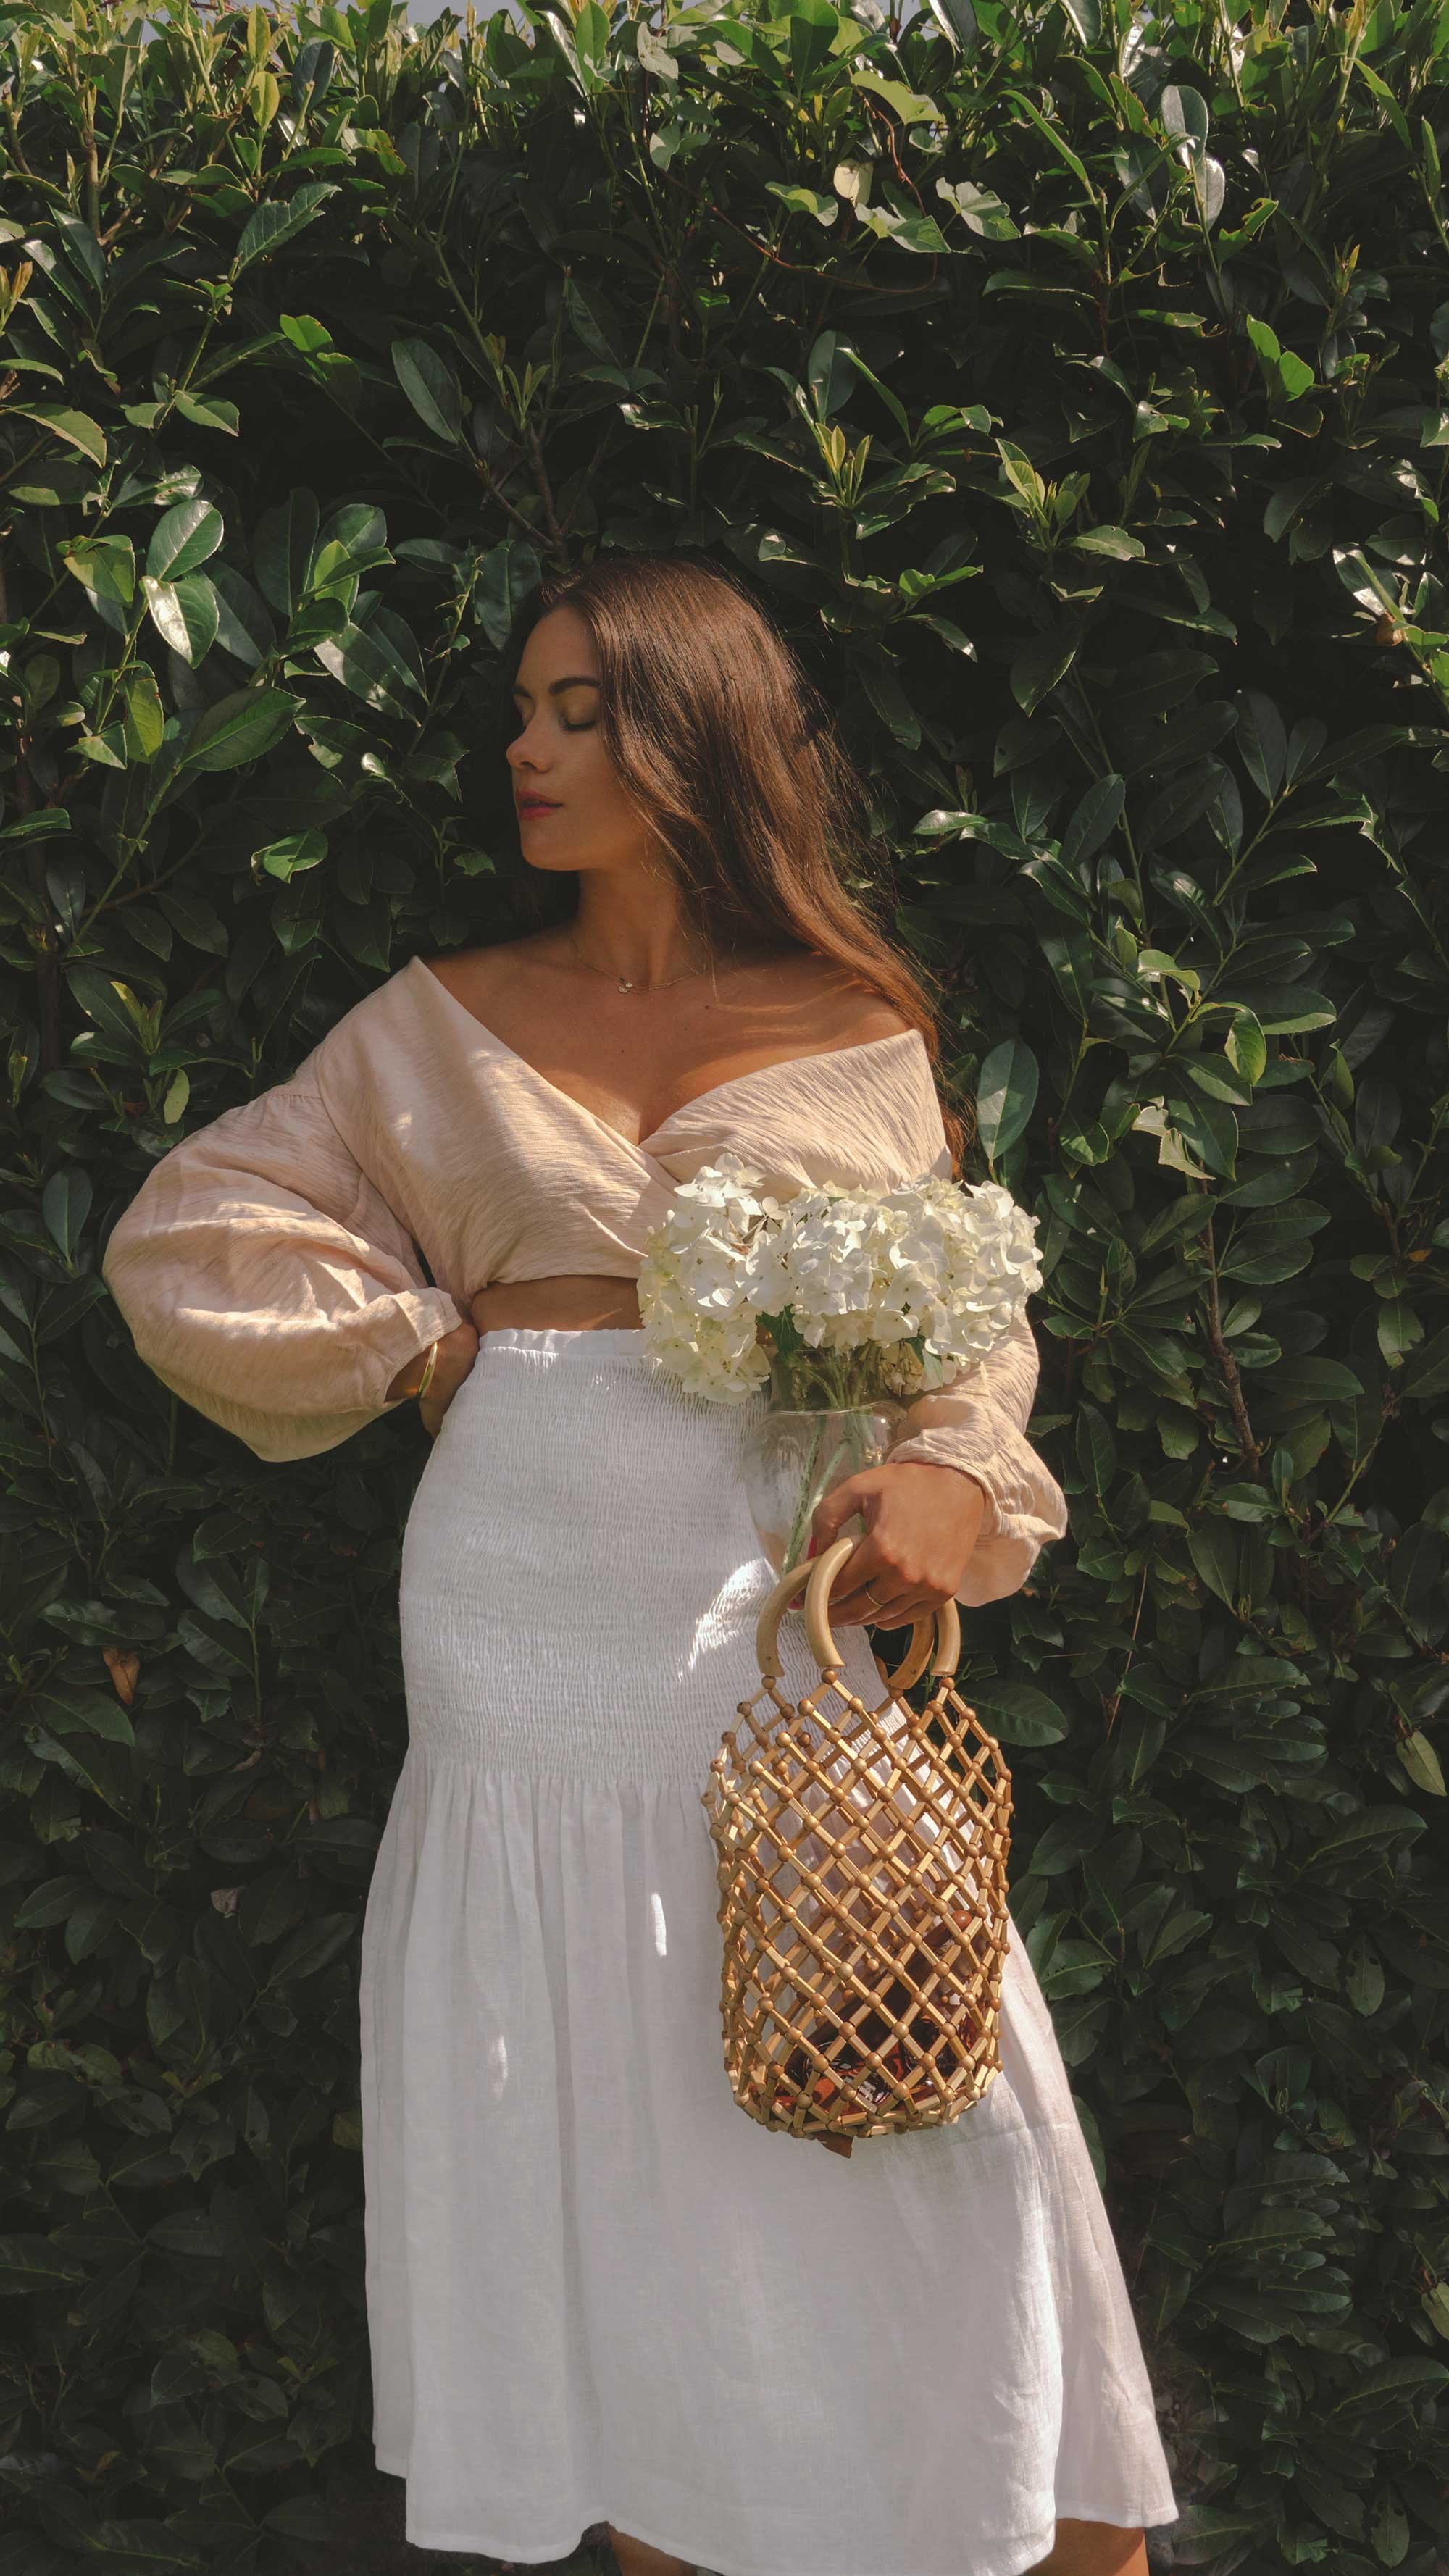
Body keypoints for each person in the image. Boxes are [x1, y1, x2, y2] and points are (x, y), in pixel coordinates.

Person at [101, 552, 1179, 2576]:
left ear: (698, 731)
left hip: (773, 1628)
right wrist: (431, 1340)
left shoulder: (858, 1028)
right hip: (521, 1629)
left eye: (577, 708)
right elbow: (192, 1231)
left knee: (947, 2140)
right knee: (616, 2180)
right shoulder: (437, 1022)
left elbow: (973, 1351)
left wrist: (959, 1485)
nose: (522, 746)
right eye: (524, 708)